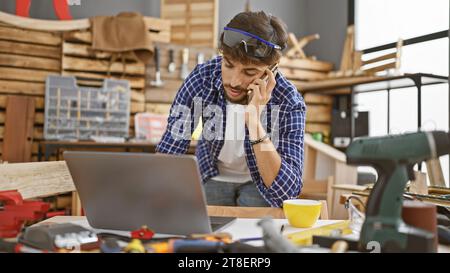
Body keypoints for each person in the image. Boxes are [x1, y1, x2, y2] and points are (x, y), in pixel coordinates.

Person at [156, 11, 306, 207]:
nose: (235, 81)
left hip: (261, 183)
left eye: (249, 72)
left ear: (273, 69)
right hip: (212, 174)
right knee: (207, 235)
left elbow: (286, 192)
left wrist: (253, 120)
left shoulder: (288, 100)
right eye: (228, 65)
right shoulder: (202, 78)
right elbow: (171, 148)